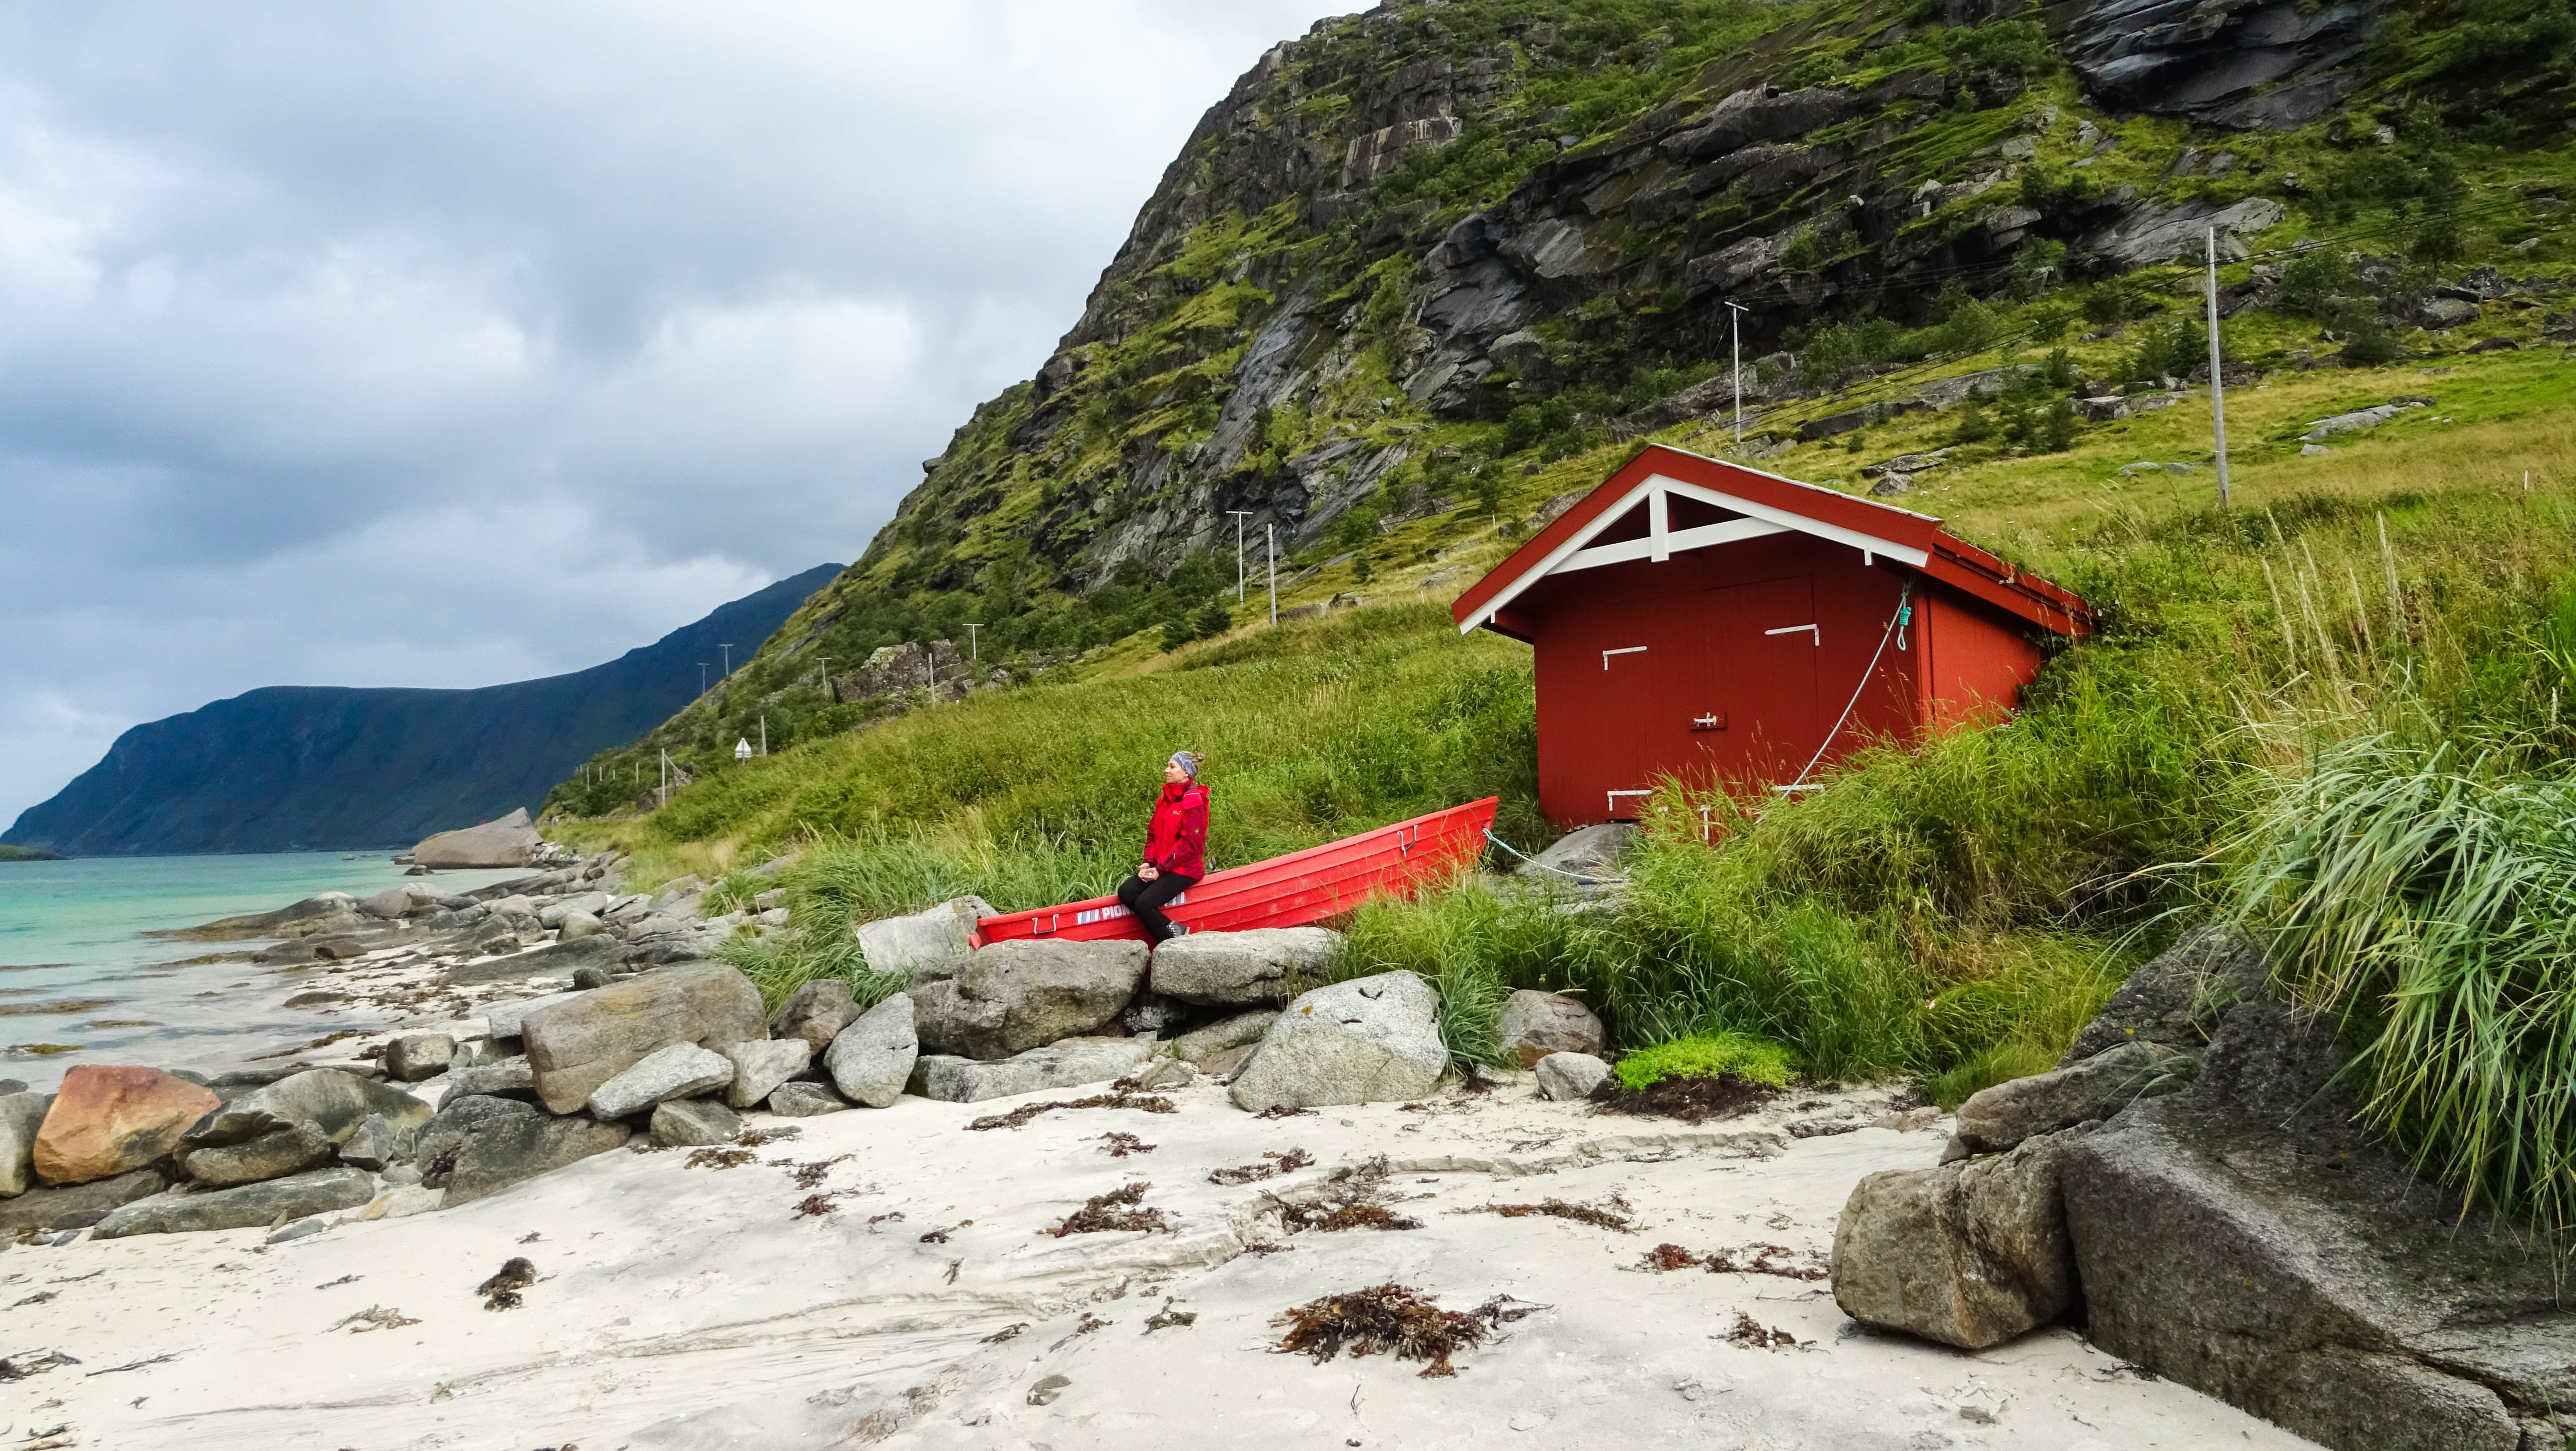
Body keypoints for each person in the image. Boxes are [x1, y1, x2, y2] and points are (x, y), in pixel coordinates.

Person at [1117, 750, 1208, 943]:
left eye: (1172, 767)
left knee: (1144, 904)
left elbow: (1191, 844)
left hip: (1185, 869)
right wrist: (1149, 862)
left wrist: (1160, 869)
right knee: (1126, 892)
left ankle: (1173, 941)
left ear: (1186, 773)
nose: (1166, 770)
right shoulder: (1166, 800)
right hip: (1162, 866)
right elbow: (1152, 835)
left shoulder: (1193, 801)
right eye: (1168, 766)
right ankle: (1171, 929)